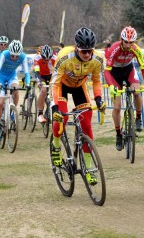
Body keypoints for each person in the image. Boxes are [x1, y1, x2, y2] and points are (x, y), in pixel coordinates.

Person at [51, 27, 106, 184]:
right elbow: (54, 84)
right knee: (60, 117)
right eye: (84, 51)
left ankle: (88, 168)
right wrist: (55, 106)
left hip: (79, 87)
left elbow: (96, 80)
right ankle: (56, 147)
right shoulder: (64, 57)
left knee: (87, 125)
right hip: (61, 85)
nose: (87, 55)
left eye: (90, 51)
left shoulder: (98, 59)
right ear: (76, 48)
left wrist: (98, 99)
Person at [103, 26, 144, 151]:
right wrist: (112, 86)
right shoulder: (114, 48)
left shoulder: (136, 49)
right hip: (114, 73)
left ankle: (138, 117)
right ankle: (118, 134)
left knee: (137, 91)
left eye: (131, 42)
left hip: (129, 70)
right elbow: (106, 72)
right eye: (126, 42)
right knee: (117, 106)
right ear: (122, 39)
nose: (129, 45)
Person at [0, 40, 30, 142]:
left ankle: (12, 111)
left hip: (11, 76)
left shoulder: (23, 57)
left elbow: (27, 73)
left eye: (16, 56)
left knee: (16, 90)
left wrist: (27, 84)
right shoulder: (5, 54)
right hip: (0, 76)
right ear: (10, 52)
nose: (14, 58)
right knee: (0, 103)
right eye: (13, 55)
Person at [33, 44, 56, 123]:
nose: (46, 60)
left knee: (54, 92)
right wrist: (39, 82)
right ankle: (40, 114)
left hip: (50, 76)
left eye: (48, 59)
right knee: (43, 91)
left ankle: (50, 109)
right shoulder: (37, 58)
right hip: (41, 75)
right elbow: (36, 73)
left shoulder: (54, 58)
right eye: (44, 59)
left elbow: (58, 72)